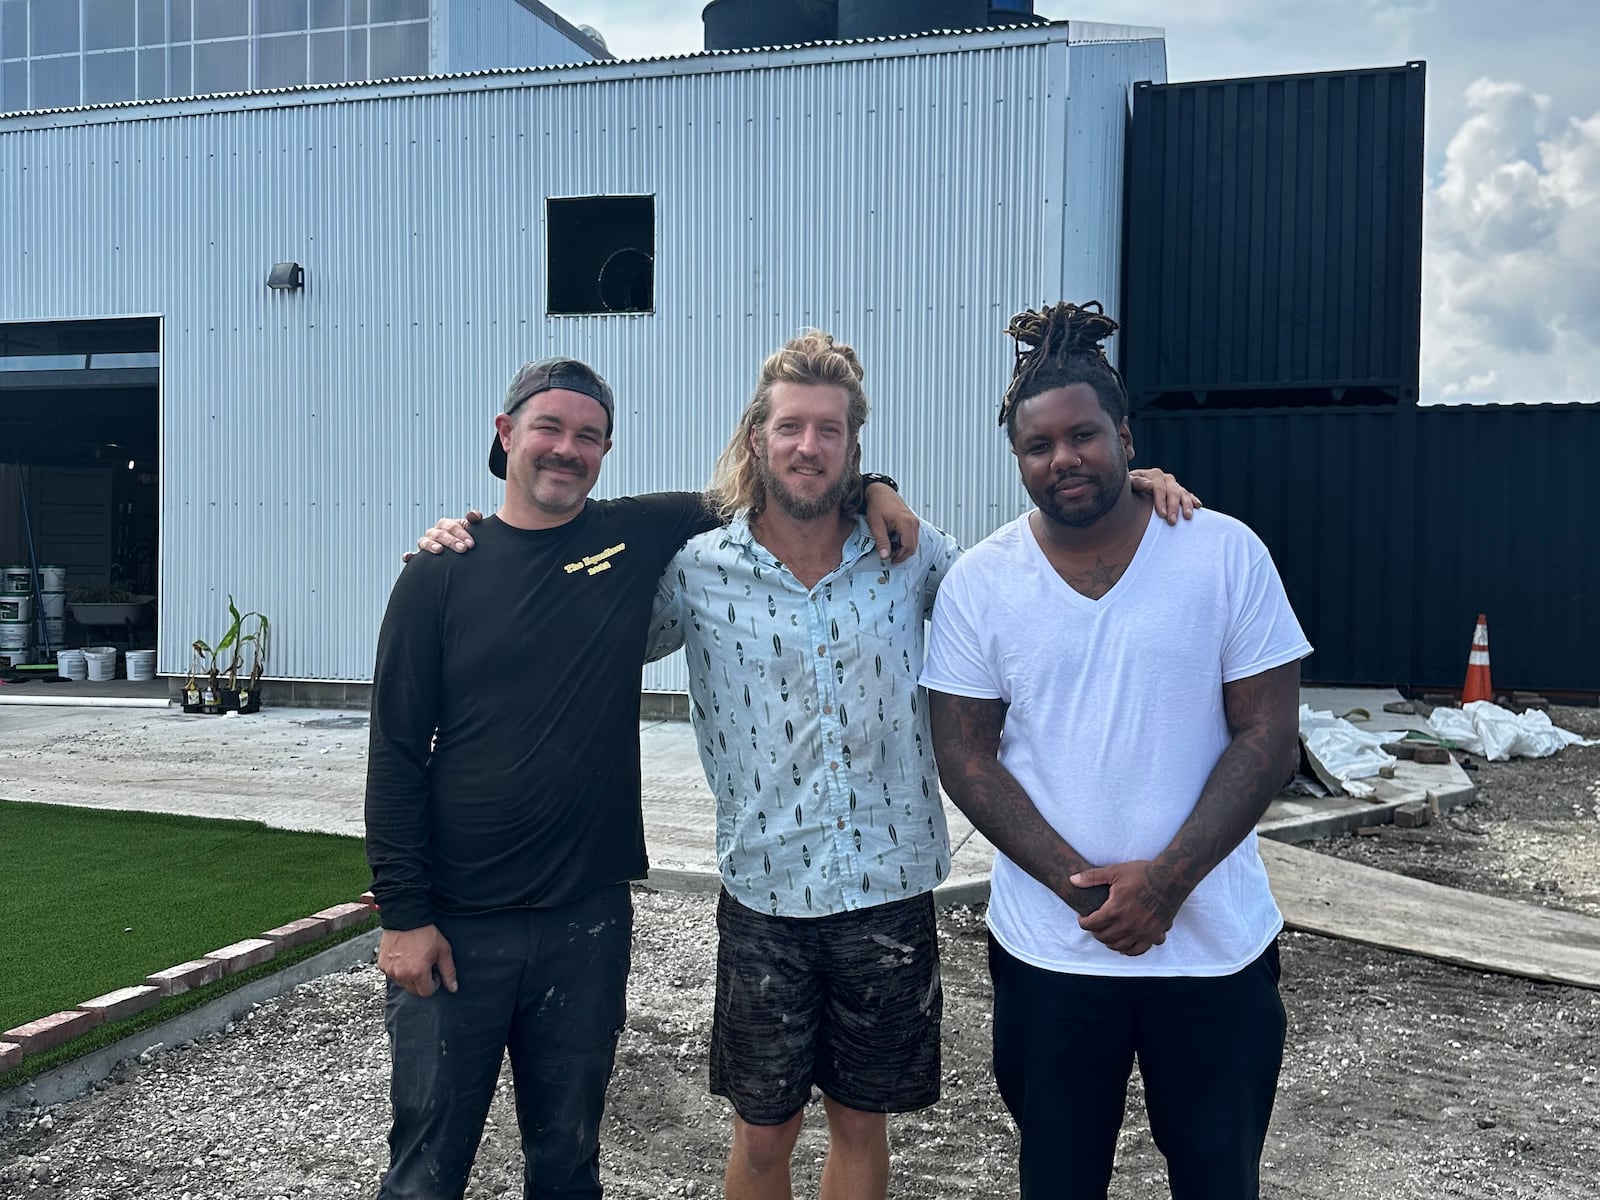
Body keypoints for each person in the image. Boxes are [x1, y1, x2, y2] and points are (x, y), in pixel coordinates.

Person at [409, 339, 1199, 1200]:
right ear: (758, 436)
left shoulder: (914, 556)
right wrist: (480, 537)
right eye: (790, 426)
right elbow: (567, 584)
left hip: (889, 890)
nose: (808, 446)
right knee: (762, 1131)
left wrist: (1131, 497)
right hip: (764, 896)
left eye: (830, 430)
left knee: (861, 1123)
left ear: (854, 449)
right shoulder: (694, 568)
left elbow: (1027, 574)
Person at [365, 355, 917, 1200]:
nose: (566, 449)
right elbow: (396, 753)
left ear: (606, 450)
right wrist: (404, 915)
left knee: (568, 1161)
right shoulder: (440, 571)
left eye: (588, 436)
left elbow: (786, 475)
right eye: (548, 428)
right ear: (505, 433)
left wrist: (874, 486)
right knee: (427, 1170)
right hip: (458, 922)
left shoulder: (634, 537)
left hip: (585, 919)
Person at [919, 302, 1310, 1200]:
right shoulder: (982, 583)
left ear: (1125, 437)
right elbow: (966, 757)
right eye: (1038, 446)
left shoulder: (1222, 554)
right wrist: (1083, 890)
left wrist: (1167, 883)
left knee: (1218, 1176)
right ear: (1017, 459)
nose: (1063, 460)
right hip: (1052, 952)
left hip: (1213, 949)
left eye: (1083, 435)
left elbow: (1268, 734)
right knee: (1058, 1179)